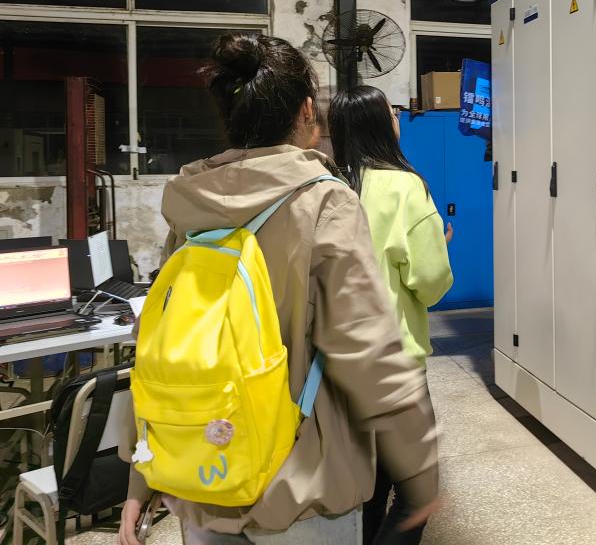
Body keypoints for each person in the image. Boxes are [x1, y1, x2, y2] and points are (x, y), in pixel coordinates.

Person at [118, 32, 439, 545]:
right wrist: (419, 478)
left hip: (202, 472)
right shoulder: (324, 202)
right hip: (297, 488)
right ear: (307, 110)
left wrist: (142, 467)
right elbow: (366, 351)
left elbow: (163, 344)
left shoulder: (192, 205)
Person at [328, 86, 454, 545]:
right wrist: (438, 247)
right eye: (393, 114)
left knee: (368, 489)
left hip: (337, 366)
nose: (399, 121)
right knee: (419, 494)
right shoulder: (403, 187)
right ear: (381, 124)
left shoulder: (328, 187)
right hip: (394, 364)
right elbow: (431, 281)